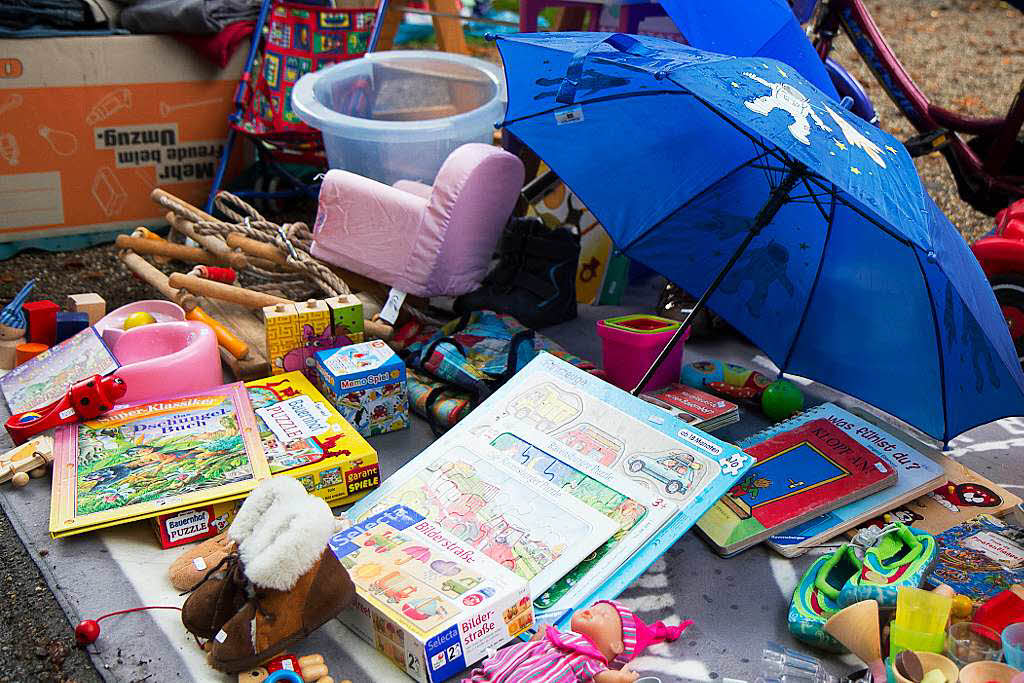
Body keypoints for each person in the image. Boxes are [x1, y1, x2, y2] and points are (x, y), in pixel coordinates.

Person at [464, 600, 690, 682]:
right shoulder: (561, 639)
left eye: (602, 616)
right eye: (594, 608)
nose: (592, 612)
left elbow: (600, 675)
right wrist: (541, 636)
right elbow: (536, 645)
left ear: (616, 646)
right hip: (501, 672)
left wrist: (619, 677)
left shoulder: (587, 656)